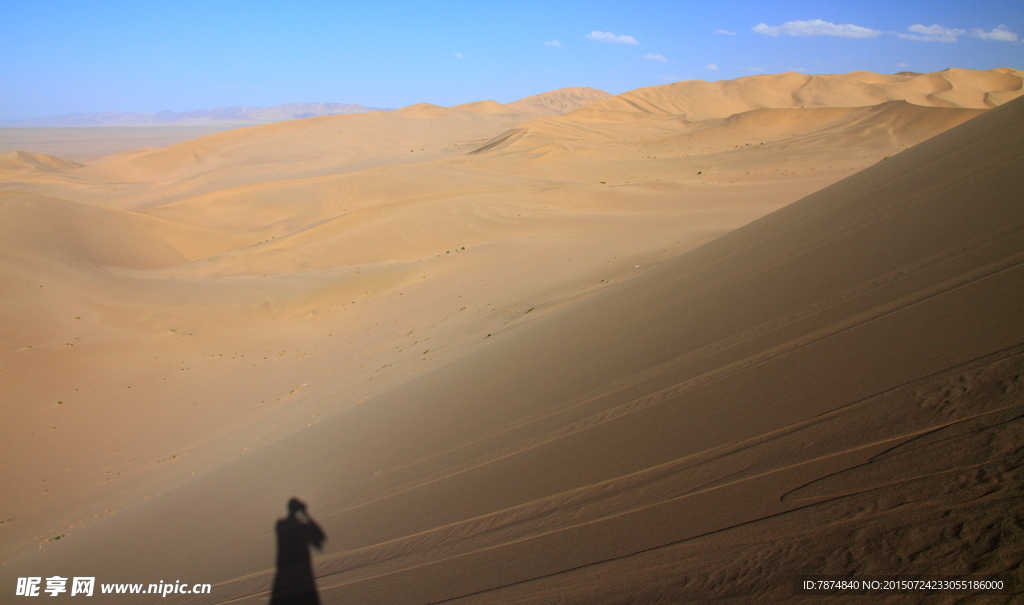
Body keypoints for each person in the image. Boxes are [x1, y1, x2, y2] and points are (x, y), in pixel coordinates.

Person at [270, 498, 326, 605]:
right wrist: (306, 515)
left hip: (285, 574)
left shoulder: (281, 524)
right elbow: (320, 539)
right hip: (301, 575)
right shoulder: (301, 527)